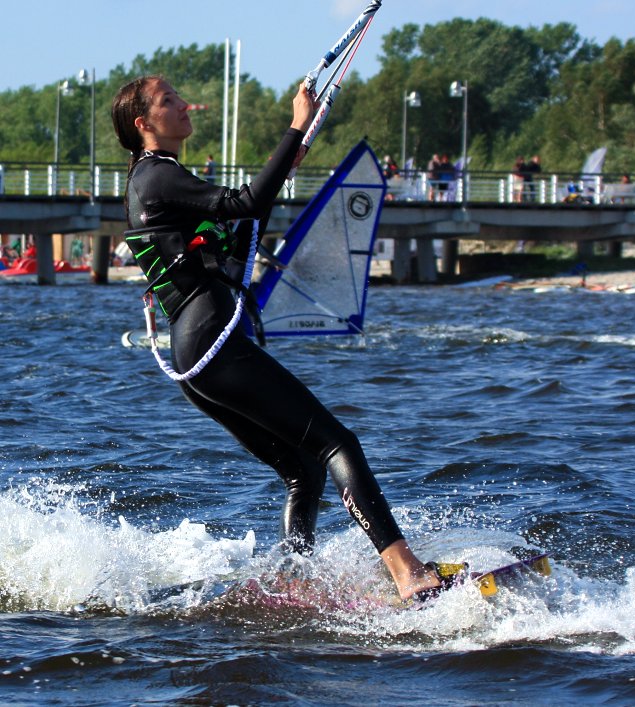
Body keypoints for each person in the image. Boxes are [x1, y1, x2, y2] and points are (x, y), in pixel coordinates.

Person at [111, 75, 446, 602]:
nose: (182, 104)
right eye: (168, 100)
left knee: (303, 469)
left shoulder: (161, 180)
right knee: (339, 444)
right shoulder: (156, 176)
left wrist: (295, 148)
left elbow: (241, 217)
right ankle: (409, 573)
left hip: (200, 354)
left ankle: (296, 580)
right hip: (213, 348)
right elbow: (245, 201)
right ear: (144, 124)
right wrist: (294, 124)